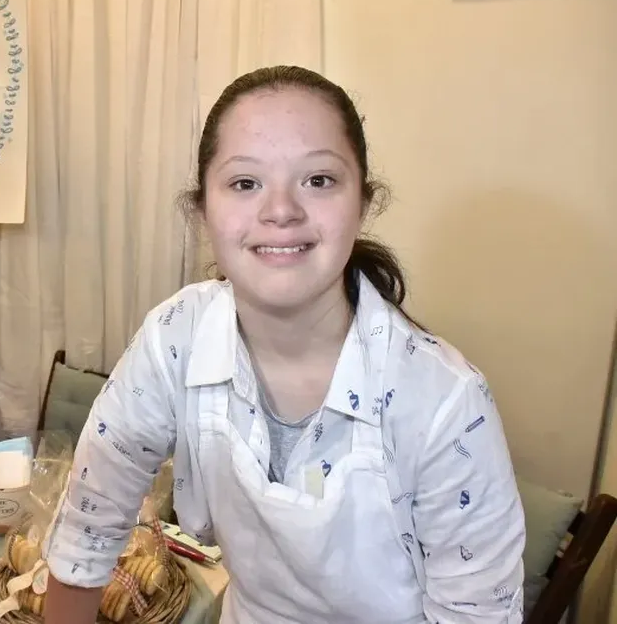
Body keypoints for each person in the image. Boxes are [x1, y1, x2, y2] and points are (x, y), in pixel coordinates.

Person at [41, 66, 526, 623]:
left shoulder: (445, 403)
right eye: (245, 183)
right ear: (203, 211)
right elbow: (88, 527)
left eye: (318, 180)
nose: (281, 211)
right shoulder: (176, 337)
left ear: (363, 204)